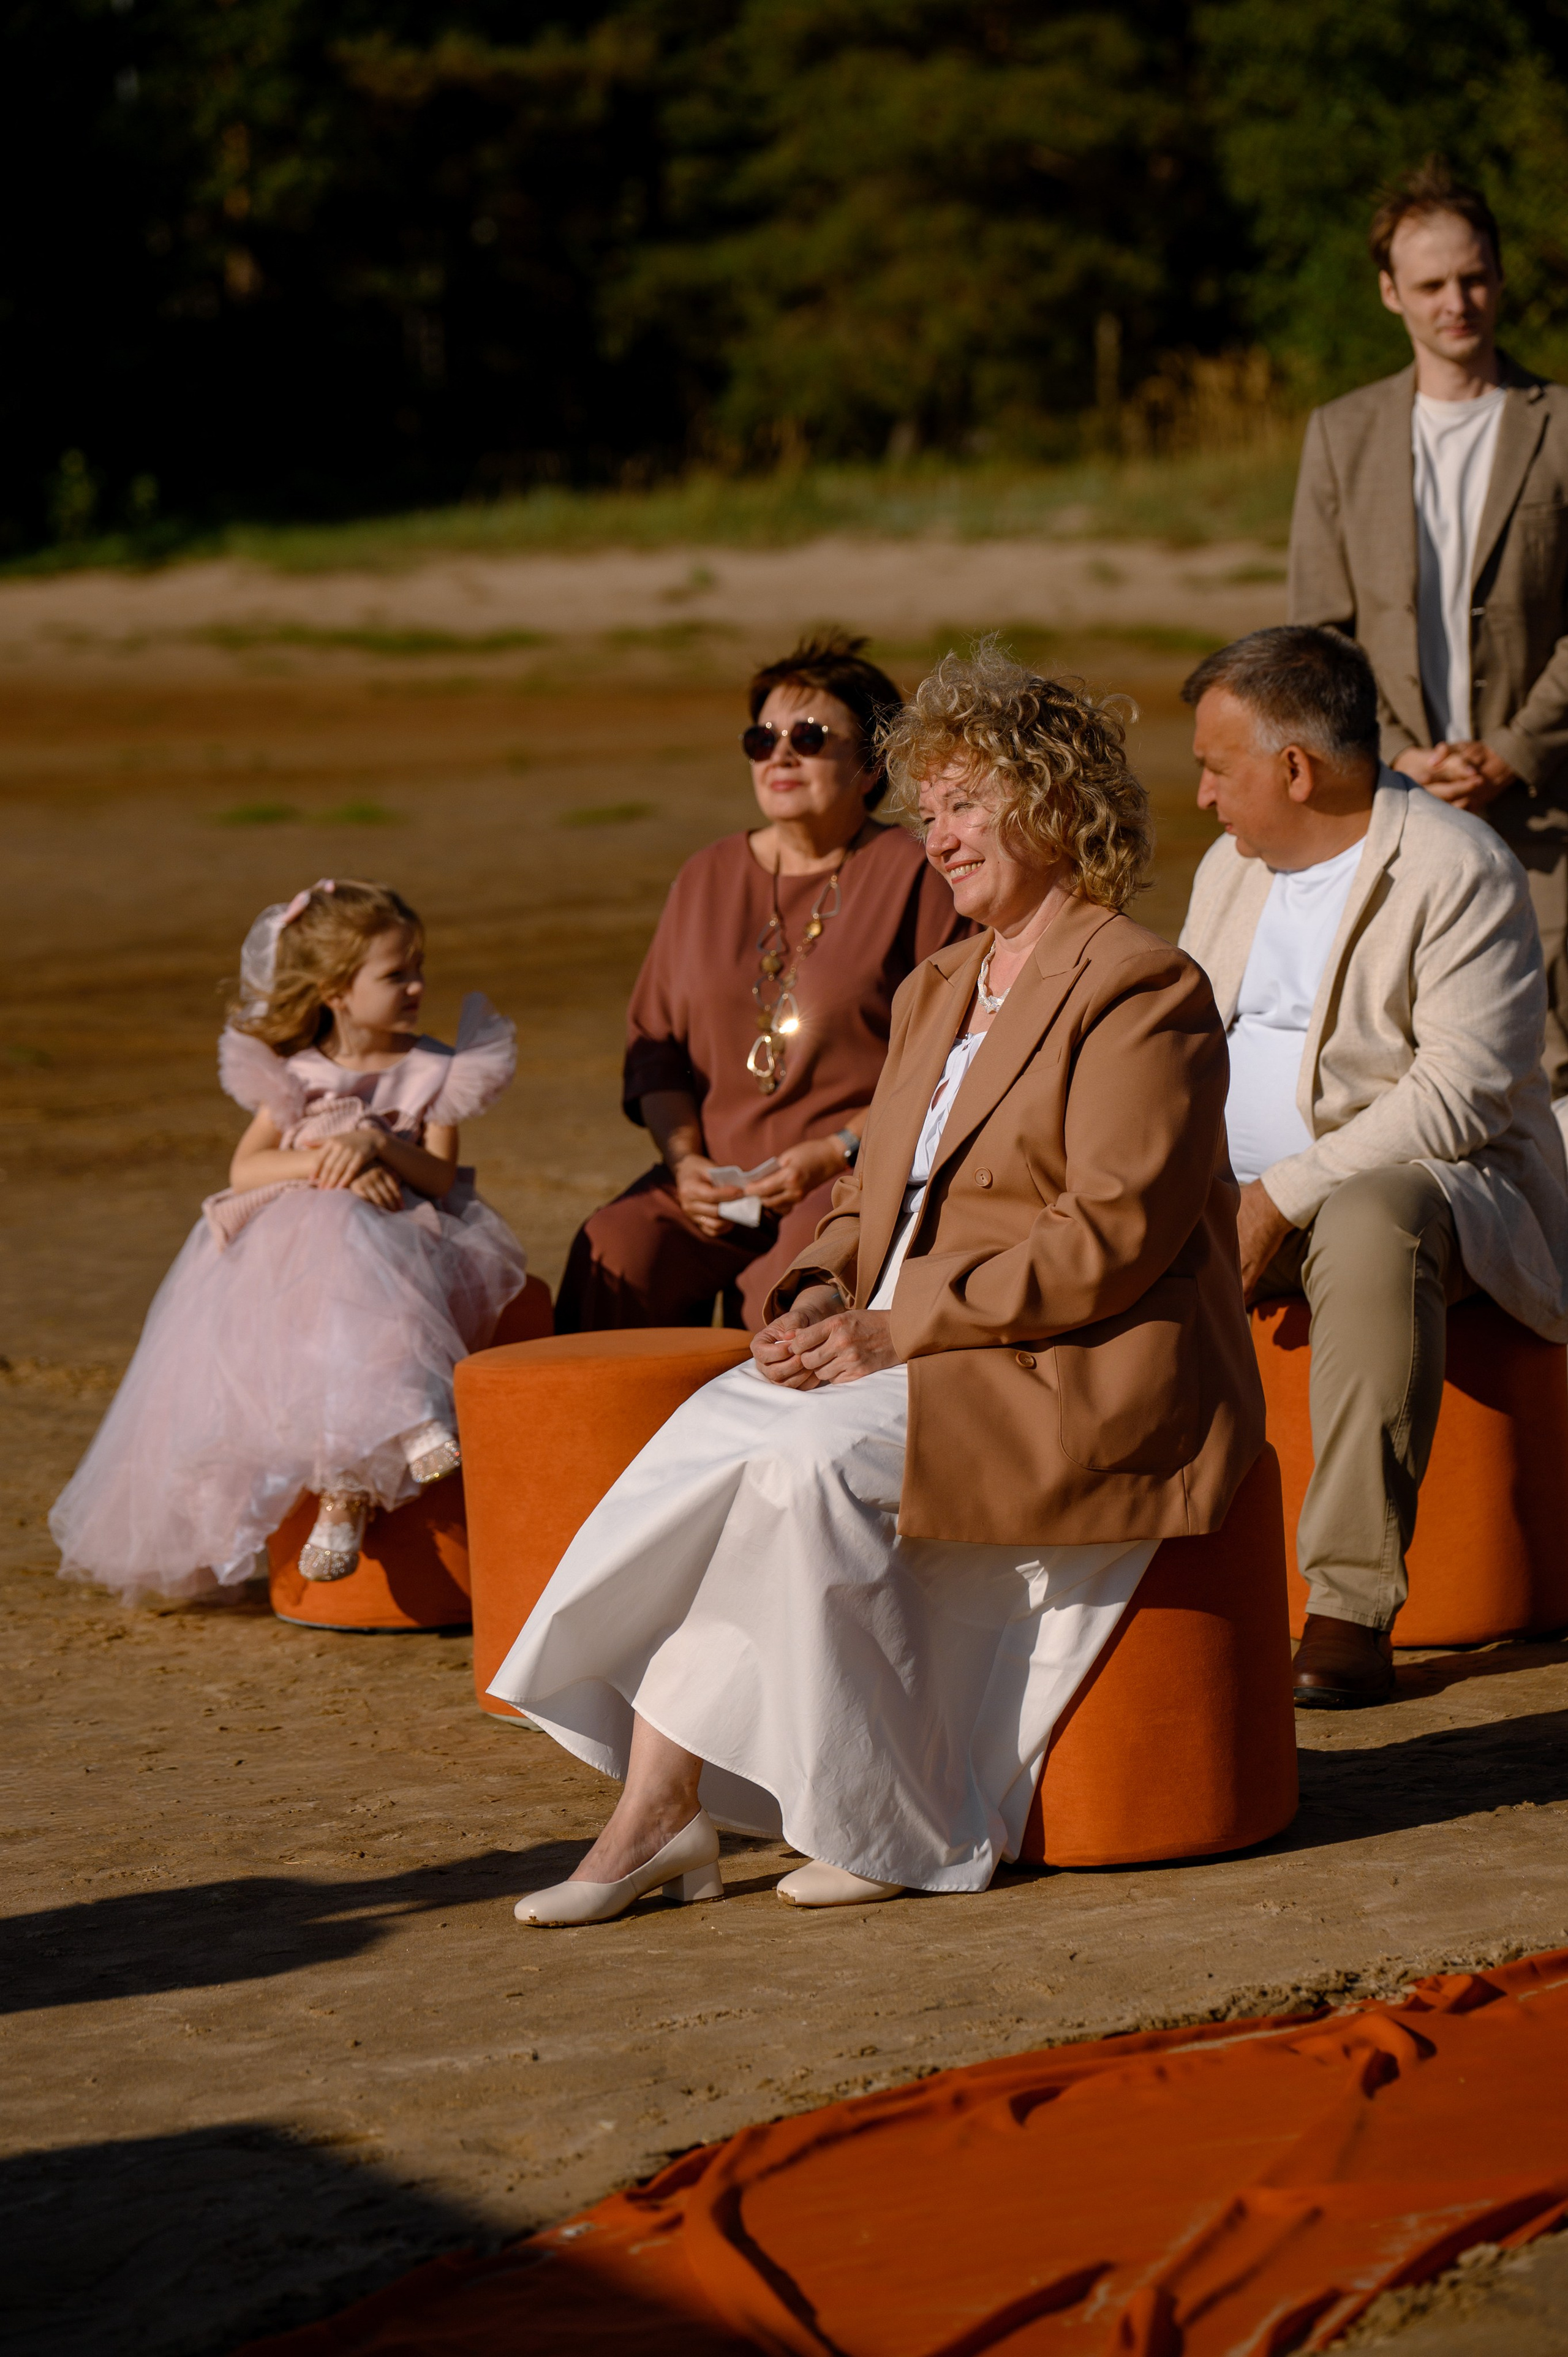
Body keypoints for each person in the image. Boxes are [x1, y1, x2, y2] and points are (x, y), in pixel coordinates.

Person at [491, 646, 1264, 1924]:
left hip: (1078, 1362)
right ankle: (662, 1802)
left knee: (803, 1469)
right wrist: (806, 1298)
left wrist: (892, 1330)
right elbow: (865, 1198)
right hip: (917, 1340)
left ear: (1051, 804)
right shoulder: (940, 985)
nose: (937, 836)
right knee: (713, 1433)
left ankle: (856, 1811)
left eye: (964, 805)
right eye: (930, 807)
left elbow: (1111, 1234)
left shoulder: (1138, 981)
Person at [1178, 627, 1568, 1708]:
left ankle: (1350, 1603)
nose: (1204, 797)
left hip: (1442, 1188)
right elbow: (1180, 1045)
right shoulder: (1229, 870)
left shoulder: (1458, 866)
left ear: (1294, 768)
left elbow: (1459, 1097)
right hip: (1238, 1185)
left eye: (1218, 768)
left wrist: (1278, 1196)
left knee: (1366, 1217)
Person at [50, 878, 526, 1603]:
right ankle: (367, 1462)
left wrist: (373, 1145)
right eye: (396, 973)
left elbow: (438, 1172)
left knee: (356, 1247)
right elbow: (246, 1168)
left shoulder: (435, 1067)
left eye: (419, 966)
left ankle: (364, 1475)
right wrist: (325, 1166)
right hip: (303, 1251)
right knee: (331, 1229)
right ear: (336, 990)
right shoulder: (296, 1072)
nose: (418, 985)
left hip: (416, 1233)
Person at [553, 630, 967, 1335]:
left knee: (788, 1292)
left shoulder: (916, 873)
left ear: (870, 765)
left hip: (845, 1174)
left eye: (807, 737)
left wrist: (836, 1150)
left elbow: (949, 1056)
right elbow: (654, 1048)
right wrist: (683, 1162)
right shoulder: (706, 874)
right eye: (761, 737)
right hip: (707, 1179)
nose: (779, 753)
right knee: (616, 1251)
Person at [1289, 159, 1568, 1095]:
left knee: (1548, 1075)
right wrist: (1398, 754)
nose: (1458, 302)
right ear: (1389, 293)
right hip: (1393, 808)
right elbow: (1319, 632)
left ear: (1498, 274)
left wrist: (1517, 749)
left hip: (1544, 813)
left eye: (1475, 277)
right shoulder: (1340, 432)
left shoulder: (1563, 424)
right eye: (1433, 284)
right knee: (1399, 1071)